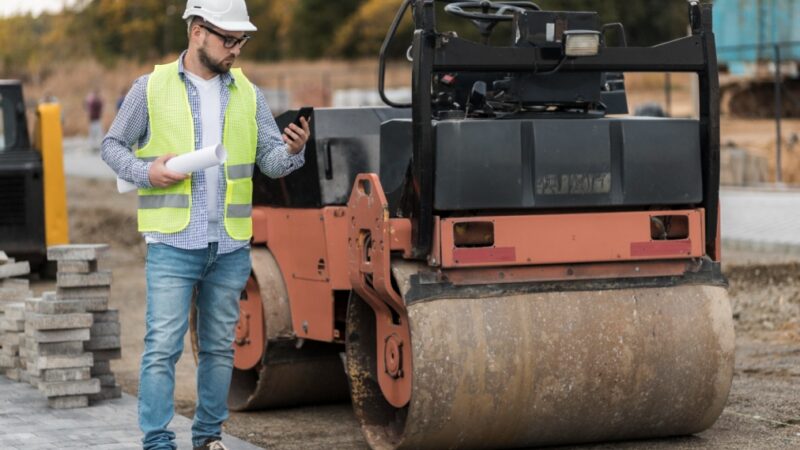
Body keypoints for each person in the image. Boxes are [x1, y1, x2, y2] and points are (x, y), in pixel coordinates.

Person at [100, 1, 311, 449]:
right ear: (197, 32)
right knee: (162, 349)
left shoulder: (249, 93)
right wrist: (146, 172)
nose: (236, 49)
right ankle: (158, 442)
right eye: (228, 39)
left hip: (230, 245)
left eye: (242, 41)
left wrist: (292, 152)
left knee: (219, 348)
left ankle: (208, 437)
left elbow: (270, 164)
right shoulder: (150, 88)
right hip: (174, 242)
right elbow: (112, 146)